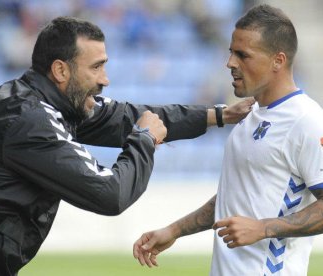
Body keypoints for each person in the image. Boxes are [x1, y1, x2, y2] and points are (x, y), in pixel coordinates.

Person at [0, 16, 252, 276]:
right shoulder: (28, 119)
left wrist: (216, 115)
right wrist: (144, 141)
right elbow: (109, 194)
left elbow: (128, 116)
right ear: (61, 70)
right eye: (97, 67)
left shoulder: (53, 103)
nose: (105, 79)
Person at [133, 4, 323, 276]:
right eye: (231, 52)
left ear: (278, 61)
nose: (230, 63)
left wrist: (263, 228)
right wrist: (173, 231)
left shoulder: (306, 120)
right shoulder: (249, 115)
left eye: (242, 55)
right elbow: (235, 197)